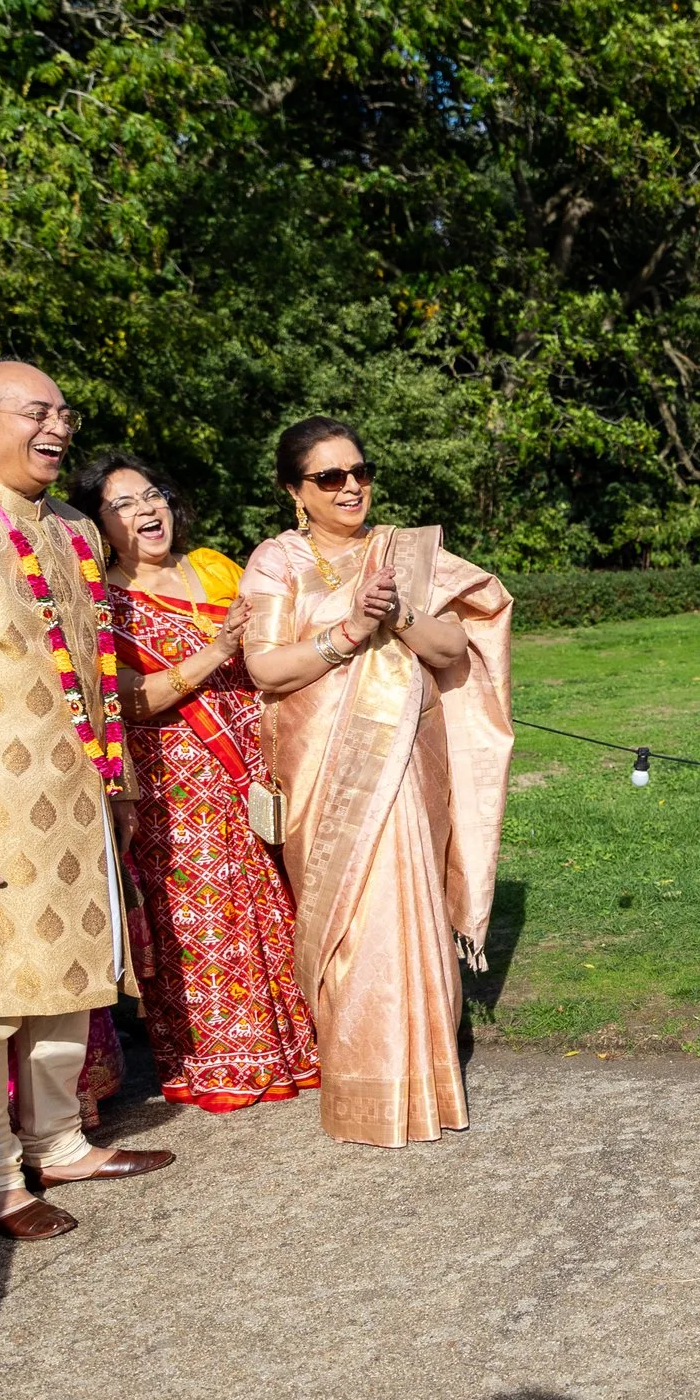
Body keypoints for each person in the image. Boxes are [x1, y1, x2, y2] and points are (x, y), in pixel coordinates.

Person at [0, 361, 173, 1241]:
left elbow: (97, 671)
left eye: (63, 411)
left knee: (67, 976)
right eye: (37, 412)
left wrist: (118, 783)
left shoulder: (73, 525)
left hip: (78, 797)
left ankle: (61, 1142)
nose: (59, 425)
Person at [239, 418, 513, 1148]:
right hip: (322, 769)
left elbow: (457, 646)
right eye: (329, 477)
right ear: (296, 491)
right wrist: (350, 632)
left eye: (359, 470)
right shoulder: (277, 561)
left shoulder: (406, 550)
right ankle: (363, 1089)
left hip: (405, 760)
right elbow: (266, 666)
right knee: (353, 918)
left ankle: (428, 1080)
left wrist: (401, 614)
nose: (351, 486)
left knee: (411, 904)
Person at [67, 455, 315, 1112]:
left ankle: (295, 1044)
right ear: (98, 524)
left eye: (153, 495)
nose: (147, 510)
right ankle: (220, 1060)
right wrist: (214, 649)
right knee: (200, 918)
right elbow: (127, 698)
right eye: (123, 504)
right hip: (173, 778)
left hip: (249, 759)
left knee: (272, 899)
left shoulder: (214, 567)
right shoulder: (103, 600)